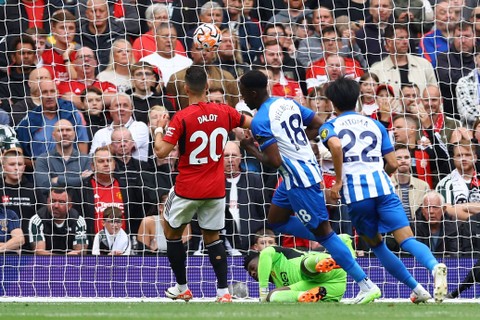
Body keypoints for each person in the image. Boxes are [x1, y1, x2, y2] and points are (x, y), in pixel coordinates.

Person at [238, 69, 380, 304]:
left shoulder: (261, 121)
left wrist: (249, 148)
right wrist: (296, 141)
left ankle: (365, 283)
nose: (243, 98)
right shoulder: (286, 103)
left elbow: (273, 162)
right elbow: (318, 123)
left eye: (244, 94)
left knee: (323, 234)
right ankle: (332, 238)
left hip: (299, 180)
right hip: (297, 174)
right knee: (276, 220)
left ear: (253, 93)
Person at [319, 76, 448, 303]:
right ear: (357, 99)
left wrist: (338, 181)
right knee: (407, 239)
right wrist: (380, 176)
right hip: (384, 189)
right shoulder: (376, 124)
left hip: (357, 195)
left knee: (377, 245)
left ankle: (417, 289)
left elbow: (336, 146)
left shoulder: (329, 126)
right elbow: (393, 162)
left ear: (332, 103)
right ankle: (434, 266)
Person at [153, 66, 251, 302]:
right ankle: (223, 292)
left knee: (171, 231)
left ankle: (182, 287)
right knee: (213, 237)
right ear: (207, 87)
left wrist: (157, 128)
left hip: (188, 187)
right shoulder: (225, 111)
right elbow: (249, 122)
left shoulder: (182, 117)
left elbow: (160, 151)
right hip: (216, 189)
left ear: (186, 89)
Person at [243, 234, 355, 303]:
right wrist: (267, 295)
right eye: (250, 272)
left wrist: (263, 290)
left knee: (305, 268)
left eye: (252, 267)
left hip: (325, 270)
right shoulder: (278, 283)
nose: (252, 273)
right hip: (332, 288)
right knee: (272, 296)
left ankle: (327, 261)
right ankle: (302, 297)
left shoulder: (275, 255)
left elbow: (266, 253)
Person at [34, 119, 92, 191]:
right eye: (60, 130)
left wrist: (57, 179)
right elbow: (43, 186)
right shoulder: (43, 159)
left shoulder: (86, 159)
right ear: (53, 135)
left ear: (74, 134)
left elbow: (87, 184)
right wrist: (79, 179)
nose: (64, 133)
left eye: (68, 130)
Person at [28, 187, 89, 255]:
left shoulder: (78, 220)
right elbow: (39, 252)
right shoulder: (37, 219)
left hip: (71, 263)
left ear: (69, 205)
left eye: (61, 202)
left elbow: (81, 252)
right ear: (47, 201)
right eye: (53, 201)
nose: (56, 206)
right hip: (45, 264)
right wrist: (63, 258)